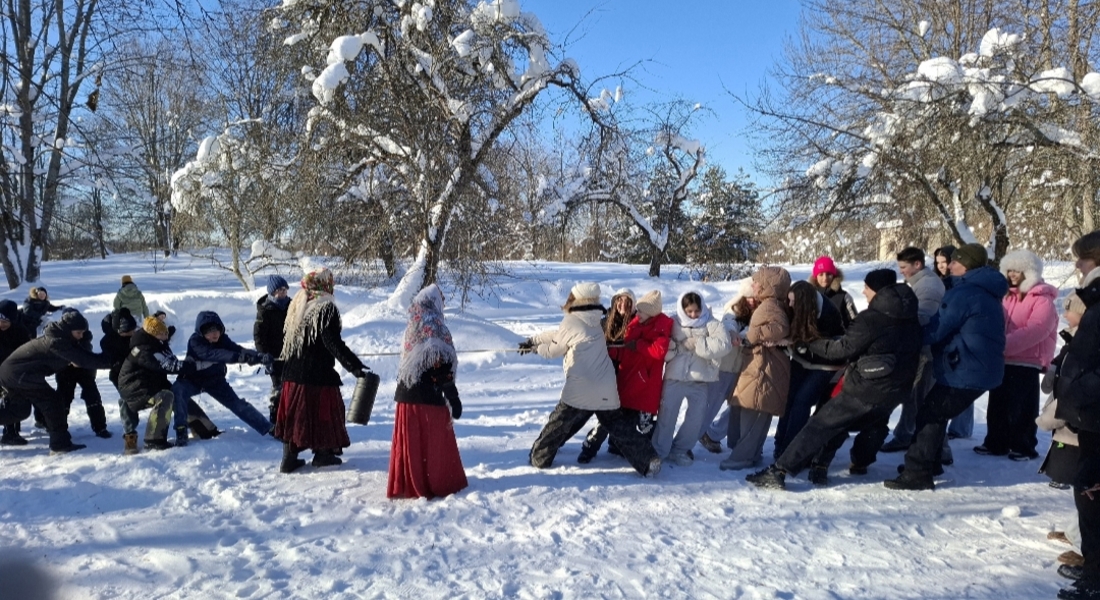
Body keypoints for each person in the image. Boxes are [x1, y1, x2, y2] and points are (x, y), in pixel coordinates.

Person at [747, 269, 922, 489]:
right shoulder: (910, 315)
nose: (863, 291)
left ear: (877, 291)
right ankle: (857, 462)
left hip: (866, 385)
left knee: (824, 423)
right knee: (874, 424)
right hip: (899, 386)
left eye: (866, 287)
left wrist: (805, 343)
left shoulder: (872, 319)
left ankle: (780, 470)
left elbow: (841, 349)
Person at [885, 243, 1007, 491]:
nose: (949, 265)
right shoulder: (985, 290)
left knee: (930, 414)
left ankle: (917, 472)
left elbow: (936, 329)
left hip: (966, 368)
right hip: (979, 368)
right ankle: (931, 463)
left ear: (967, 265)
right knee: (933, 412)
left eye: (955, 262)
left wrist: (903, 334)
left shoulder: (965, 293)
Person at [522, 282, 661, 477]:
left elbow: (554, 349)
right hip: (606, 384)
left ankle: (540, 457)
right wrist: (535, 339)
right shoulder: (596, 319)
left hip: (584, 384)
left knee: (560, 419)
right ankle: (648, 461)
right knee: (617, 425)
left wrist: (536, 348)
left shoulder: (574, 321)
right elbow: (561, 335)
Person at [276, 268, 368, 473]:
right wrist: (354, 366)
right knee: (323, 413)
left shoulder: (299, 303)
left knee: (296, 416)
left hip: (292, 374)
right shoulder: (325, 307)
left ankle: (289, 458)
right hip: (315, 375)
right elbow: (331, 342)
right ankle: (323, 454)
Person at [975, 249, 1058, 460]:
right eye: (1009, 270)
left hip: (1027, 360)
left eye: (1018, 271)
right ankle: (996, 441)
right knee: (998, 403)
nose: (1012, 274)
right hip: (1004, 358)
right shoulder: (1006, 297)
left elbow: (1037, 329)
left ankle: (1023, 445)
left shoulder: (1042, 299)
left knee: (1022, 407)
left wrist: (1003, 344)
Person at [1053, 231, 1100, 600]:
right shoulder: (1094, 300)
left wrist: (1079, 389)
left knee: (1092, 491)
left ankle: (1096, 579)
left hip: (1095, 413)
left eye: (1082, 259)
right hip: (1089, 415)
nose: (1076, 266)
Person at [388, 284, 467, 498]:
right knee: (434, 443)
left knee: (414, 446)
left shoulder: (413, 323)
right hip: (426, 398)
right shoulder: (435, 326)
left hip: (406, 396)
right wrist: (453, 397)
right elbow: (439, 366)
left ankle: (410, 482)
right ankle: (437, 483)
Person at [577, 289, 671, 463]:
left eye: (628, 302)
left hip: (634, 379)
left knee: (638, 421)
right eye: (619, 300)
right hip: (610, 377)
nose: (622, 305)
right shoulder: (608, 321)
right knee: (607, 417)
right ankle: (590, 447)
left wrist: (639, 345)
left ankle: (640, 452)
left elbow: (656, 348)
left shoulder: (641, 321)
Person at [0, 309, 112, 454]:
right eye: (78, 332)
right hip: (19, 374)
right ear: (69, 330)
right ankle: (60, 445)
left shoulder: (62, 337)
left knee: (20, 410)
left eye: (83, 332)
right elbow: (84, 359)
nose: (81, 335)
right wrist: (113, 362)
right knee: (53, 402)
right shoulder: (57, 341)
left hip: (14, 374)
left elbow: (82, 354)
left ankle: (60, 443)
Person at [721, 266, 792, 471]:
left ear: (768, 285)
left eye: (757, 282)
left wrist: (752, 336)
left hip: (765, 366)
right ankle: (748, 453)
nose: (753, 285)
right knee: (750, 407)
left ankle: (743, 457)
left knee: (755, 409)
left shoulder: (770, 305)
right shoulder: (771, 303)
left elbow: (779, 329)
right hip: (760, 364)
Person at [652, 291, 731, 466]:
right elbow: (661, 343)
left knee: (696, 419)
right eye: (689, 311)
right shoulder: (673, 322)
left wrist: (697, 344)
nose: (694, 315)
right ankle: (659, 451)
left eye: (696, 310)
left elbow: (724, 344)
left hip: (700, 380)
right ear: (682, 309)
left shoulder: (711, 323)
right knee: (667, 415)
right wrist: (674, 346)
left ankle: (680, 449)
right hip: (675, 377)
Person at [882, 247, 947, 454]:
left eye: (904, 267)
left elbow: (923, 317)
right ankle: (905, 434)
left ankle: (939, 448)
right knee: (913, 396)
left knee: (924, 399)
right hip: (918, 349)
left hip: (926, 351)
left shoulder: (927, 286)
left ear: (917, 265)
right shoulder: (920, 283)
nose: (901, 271)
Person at [772, 280, 845, 462]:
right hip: (801, 361)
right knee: (789, 400)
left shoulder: (828, 314)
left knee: (802, 403)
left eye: (793, 302)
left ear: (805, 303)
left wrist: (795, 343)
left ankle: (792, 451)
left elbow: (826, 346)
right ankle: (779, 444)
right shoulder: (795, 309)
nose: (790, 305)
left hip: (823, 366)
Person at [117, 316, 216, 452]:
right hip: (135, 388)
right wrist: (195, 367)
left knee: (179, 392)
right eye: (162, 333)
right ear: (153, 333)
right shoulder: (143, 349)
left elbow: (173, 361)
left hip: (152, 383)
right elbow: (169, 366)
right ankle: (154, 440)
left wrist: (188, 368)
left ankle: (204, 429)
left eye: (166, 333)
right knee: (166, 396)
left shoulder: (159, 344)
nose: (166, 335)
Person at [174, 311, 274, 438]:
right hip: (192, 380)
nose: (215, 333)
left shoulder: (223, 339)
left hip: (215, 381)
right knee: (178, 391)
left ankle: (269, 428)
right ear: (202, 331)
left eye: (217, 329)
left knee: (238, 405)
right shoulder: (195, 342)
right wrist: (240, 358)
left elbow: (237, 349)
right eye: (210, 330)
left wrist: (258, 356)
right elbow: (217, 354)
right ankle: (181, 430)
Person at [699, 281, 758, 453]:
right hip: (724, 367)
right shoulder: (732, 310)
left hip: (743, 369)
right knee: (710, 407)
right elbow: (727, 323)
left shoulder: (759, 314)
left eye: (755, 298)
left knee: (737, 407)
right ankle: (688, 440)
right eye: (748, 298)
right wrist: (734, 334)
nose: (752, 301)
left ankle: (713, 434)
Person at [935, 245, 974, 441]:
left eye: (946, 262)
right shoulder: (939, 283)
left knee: (963, 382)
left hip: (960, 338)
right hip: (944, 338)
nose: (942, 266)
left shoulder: (960, 285)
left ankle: (962, 427)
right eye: (938, 263)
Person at [55, 308, 111, 439]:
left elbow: (85, 353)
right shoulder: (59, 336)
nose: (80, 333)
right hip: (65, 371)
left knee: (93, 396)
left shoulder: (84, 335)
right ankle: (59, 428)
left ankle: (100, 427)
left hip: (84, 370)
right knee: (64, 397)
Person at [255, 274, 291, 427]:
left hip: (290, 354)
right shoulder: (265, 310)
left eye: (285, 289)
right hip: (273, 356)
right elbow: (259, 336)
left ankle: (291, 417)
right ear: (272, 292)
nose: (283, 293)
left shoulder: (292, 306)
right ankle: (276, 418)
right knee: (279, 387)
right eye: (279, 290)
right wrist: (264, 354)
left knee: (292, 386)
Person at [0, 300, 32, 446]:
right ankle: (9, 432)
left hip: (14, 372)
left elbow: (27, 352)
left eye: (5, 321)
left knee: (13, 400)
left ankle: (11, 432)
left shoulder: (20, 332)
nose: (2, 324)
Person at [809, 256, 858, 330]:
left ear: (834, 275)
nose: (825, 278)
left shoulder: (844, 297)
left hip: (839, 339)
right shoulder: (810, 296)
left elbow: (855, 323)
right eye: (821, 274)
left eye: (828, 274)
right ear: (816, 277)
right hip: (816, 339)